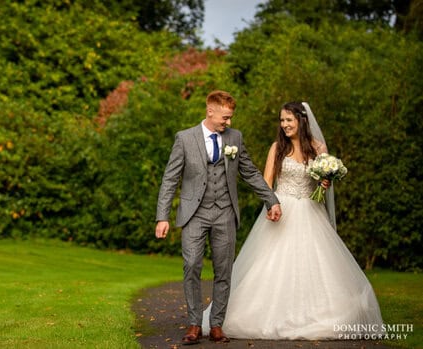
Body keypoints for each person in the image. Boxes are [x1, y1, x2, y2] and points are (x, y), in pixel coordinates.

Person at [207, 101, 383, 339]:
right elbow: (267, 183)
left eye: (289, 120)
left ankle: (319, 313)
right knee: (270, 264)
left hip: (311, 211)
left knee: (315, 264)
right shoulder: (277, 148)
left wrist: (325, 182)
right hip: (283, 208)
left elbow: (323, 182)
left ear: (302, 121)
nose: (285, 125)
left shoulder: (318, 148)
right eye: (282, 120)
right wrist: (271, 204)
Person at [155, 90, 282, 344]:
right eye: (225, 117)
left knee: (224, 270)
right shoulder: (185, 138)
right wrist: (162, 216)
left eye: (231, 117)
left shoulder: (235, 137)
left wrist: (271, 199)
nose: (229, 122)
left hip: (225, 211)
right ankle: (193, 323)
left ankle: (216, 324)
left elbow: (249, 171)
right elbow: (170, 179)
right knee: (191, 265)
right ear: (210, 111)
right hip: (194, 214)